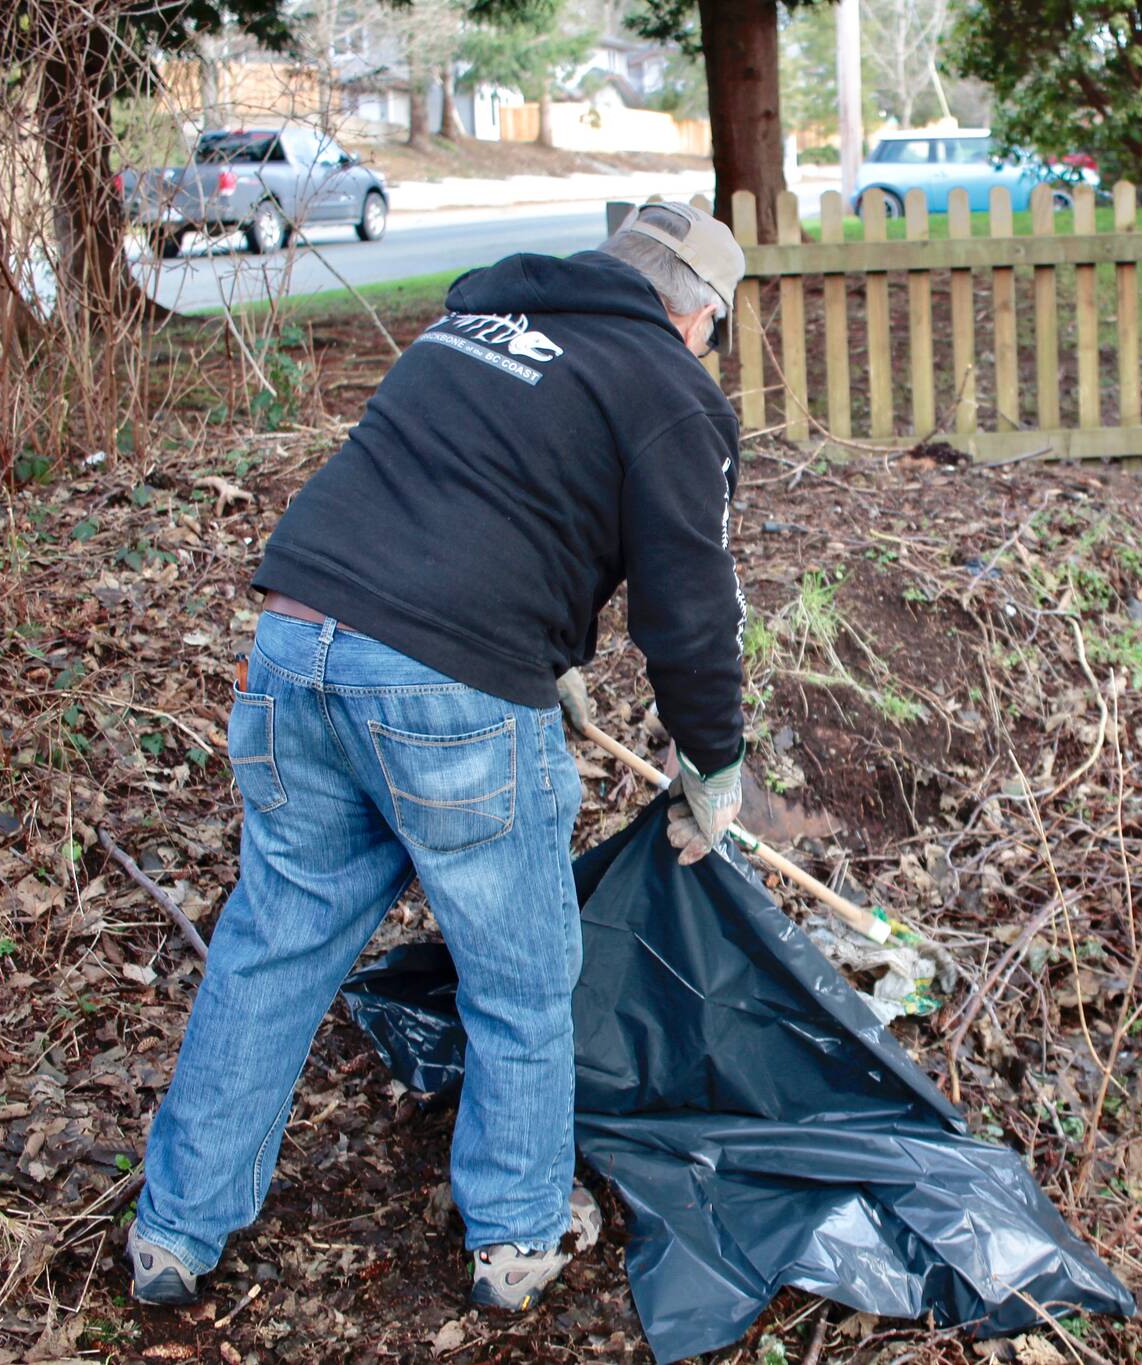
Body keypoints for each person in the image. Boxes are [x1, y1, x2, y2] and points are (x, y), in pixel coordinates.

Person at [127, 203, 751, 1313]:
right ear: (697, 314)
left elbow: (464, 498)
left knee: (273, 943)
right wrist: (711, 763)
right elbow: (689, 612)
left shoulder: (474, 326)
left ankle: (173, 1230)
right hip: (445, 689)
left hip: (292, 646)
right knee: (517, 975)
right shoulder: (669, 388)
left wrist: (549, 646)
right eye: (710, 330)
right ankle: (515, 1237)